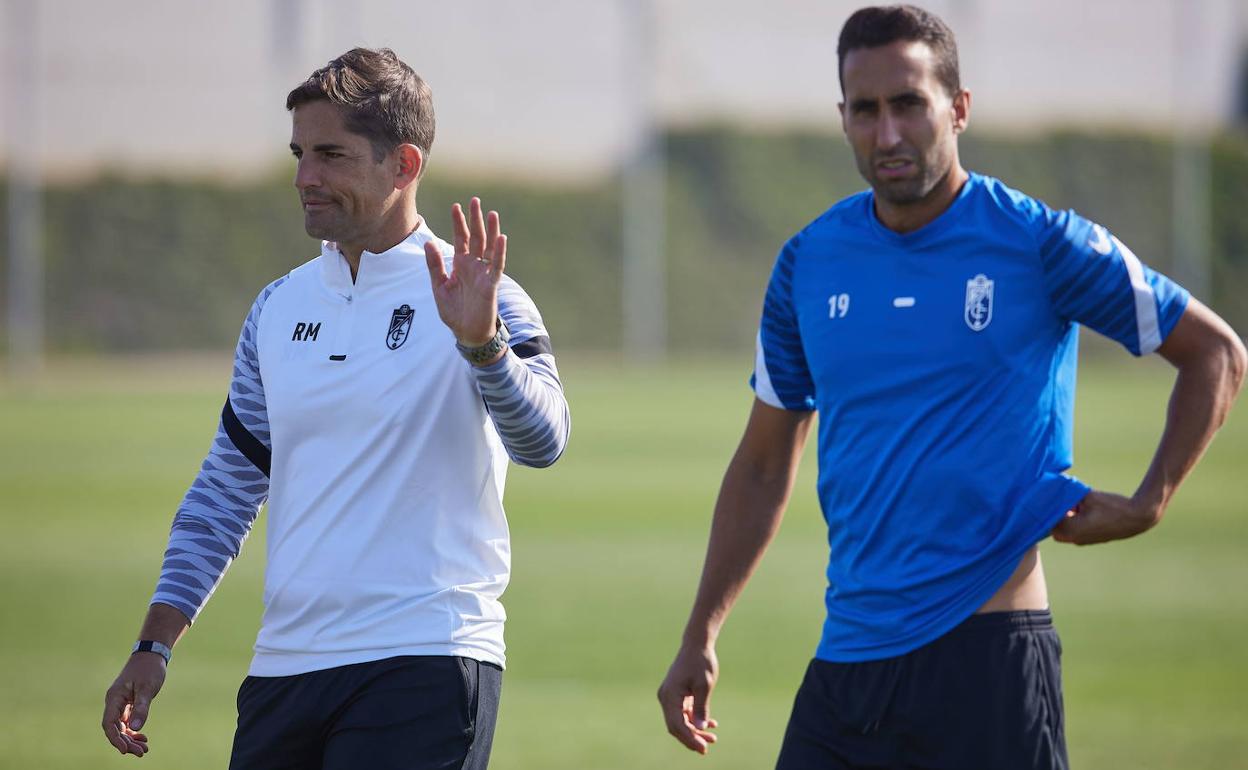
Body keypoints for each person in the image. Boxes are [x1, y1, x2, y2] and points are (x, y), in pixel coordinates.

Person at [657, 5, 1245, 769]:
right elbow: (766, 463)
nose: (888, 134)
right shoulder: (807, 262)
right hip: (850, 663)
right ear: (843, 119)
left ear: (958, 109)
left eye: (909, 104)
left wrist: (1149, 501)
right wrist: (701, 631)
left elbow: (1217, 355)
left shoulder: (1037, 241)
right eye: (865, 110)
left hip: (992, 661)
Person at [101, 47, 570, 770]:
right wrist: (154, 643)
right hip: (284, 669)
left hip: (426, 661)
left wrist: (483, 348)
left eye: (330, 155)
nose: (304, 178)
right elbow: (226, 489)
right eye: (298, 154)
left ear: (403, 165)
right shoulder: (277, 307)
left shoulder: (483, 294)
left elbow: (545, 440)